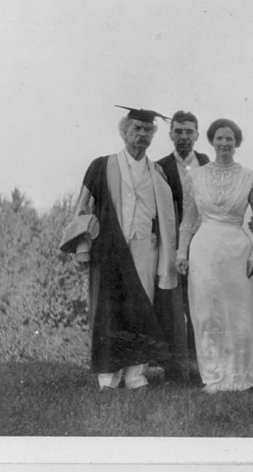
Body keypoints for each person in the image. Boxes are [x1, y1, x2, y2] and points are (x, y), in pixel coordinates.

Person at [60, 105, 178, 390]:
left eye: (148, 130)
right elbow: (82, 210)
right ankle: (108, 375)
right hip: (110, 251)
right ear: (124, 132)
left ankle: (135, 374)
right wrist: (83, 249)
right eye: (136, 129)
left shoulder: (157, 172)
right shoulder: (102, 165)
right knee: (110, 311)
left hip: (146, 250)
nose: (142, 134)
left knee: (141, 310)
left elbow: (166, 215)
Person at [175, 118, 253, 392]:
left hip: (237, 251)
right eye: (219, 138)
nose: (224, 143)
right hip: (204, 249)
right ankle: (214, 375)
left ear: (237, 142)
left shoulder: (249, 176)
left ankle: (245, 375)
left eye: (230, 138)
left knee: (241, 313)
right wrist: (182, 252)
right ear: (211, 141)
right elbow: (188, 221)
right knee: (208, 313)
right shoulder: (195, 176)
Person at [156, 110, 210, 383]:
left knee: (200, 307)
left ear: (197, 135)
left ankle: (201, 367)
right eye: (178, 131)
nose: (184, 137)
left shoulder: (208, 163)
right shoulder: (159, 167)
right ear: (170, 135)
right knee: (173, 310)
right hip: (171, 247)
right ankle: (175, 371)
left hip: (203, 247)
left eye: (189, 132)